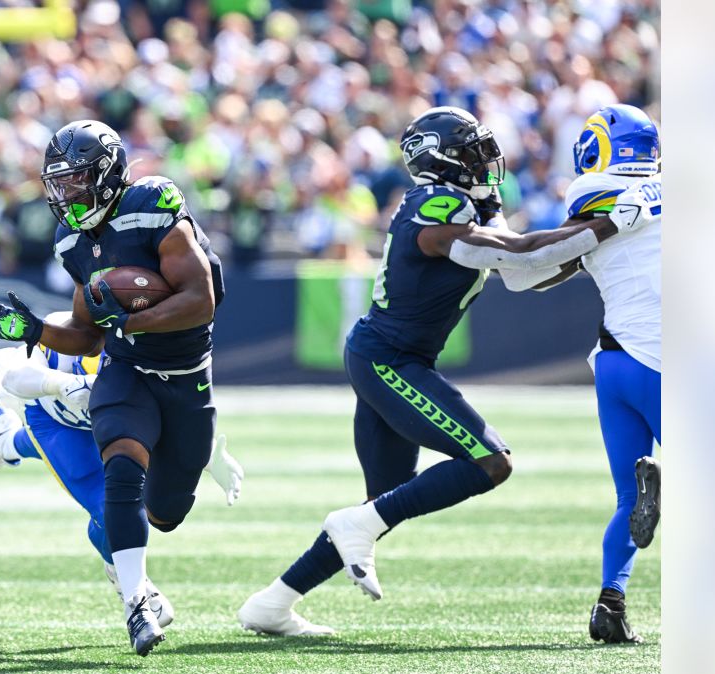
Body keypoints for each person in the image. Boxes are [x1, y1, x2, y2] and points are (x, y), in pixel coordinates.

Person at [236, 106, 660, 636]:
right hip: (389, 360)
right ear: (443, 161)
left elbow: (521, 273)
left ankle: (272, 603)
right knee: (490, 462)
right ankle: (337, 541)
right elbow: (524, 254)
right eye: (473, 152)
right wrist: (613, 222)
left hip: (388, 356)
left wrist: (589, 239)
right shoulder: (439, 206)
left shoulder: (466, 204)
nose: (487, 161)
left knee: (378, 508)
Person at [0, 120, 226, 656]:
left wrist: (129, 322)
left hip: (184, 376)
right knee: (122, 466)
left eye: (78, 179)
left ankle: (11, 444)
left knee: (167, 512)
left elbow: (200, 299)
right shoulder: (73, 240)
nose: (67, 195)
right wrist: (36, 331)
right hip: (126, 370)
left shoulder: (152, 205)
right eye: (58, 184)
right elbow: (88, 337)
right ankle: (136, 601)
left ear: (108, 173)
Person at [499, 104, 662, 644]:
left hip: (614, 363)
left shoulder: (587, 195)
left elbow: (550, 267)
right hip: (666, 359)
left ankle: (609, 606)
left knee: (624, 500)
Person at [0, 327, 244, 623]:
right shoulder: (68, 335)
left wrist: (206, 456)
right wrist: (61, 382)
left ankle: (5, 442)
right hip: (55, 421)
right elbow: (9, 375)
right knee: (112, 508)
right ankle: (125, 579)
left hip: (109, 420)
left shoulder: (146, 358)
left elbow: (173, 418)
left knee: (140, 490)